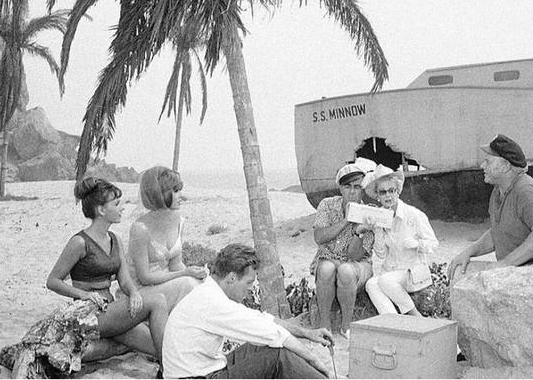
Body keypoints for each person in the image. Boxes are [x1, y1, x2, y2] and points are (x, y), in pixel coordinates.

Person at [0, 178, 169, 377]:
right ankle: (168, 372)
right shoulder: (80, 242)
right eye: (116, 204)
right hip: (90, 315)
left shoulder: (115, 239)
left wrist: (134, 294)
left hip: (111, 312)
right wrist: (83, 295)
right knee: (158, 301)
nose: (122, 208)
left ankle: (166, 365)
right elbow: (53, 280)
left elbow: (124, 280)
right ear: (101, 210)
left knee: (158, 346)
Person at [162, 243, 334, 379]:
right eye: (249, 282)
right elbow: (273, 334)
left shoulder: (210, 291)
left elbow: (261, 319)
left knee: (259, 346)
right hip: (196, 377)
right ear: (231, 278)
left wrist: (306, 333)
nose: (251, 289)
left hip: (203, 369)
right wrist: (314, 359)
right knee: (277, 357)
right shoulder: (213, 303)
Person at [447, 134, 533, 283]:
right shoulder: (499, 190)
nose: (482, 166)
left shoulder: (526, 190)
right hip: (524, 267)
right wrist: (469, 252)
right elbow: (499, 232)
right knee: (461, 271)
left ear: (506, 166)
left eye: (488, 162)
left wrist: (504, 265)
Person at [360, 165, 438, 316]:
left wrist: (417, 244)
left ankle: (414, 316)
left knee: (384, 281)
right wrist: (377, 230)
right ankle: (393, 321)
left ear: (398, 192)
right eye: (383, 192)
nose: (388, 196)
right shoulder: (381, 216)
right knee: (371, 284)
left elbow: (433, 244)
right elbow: (381, 254)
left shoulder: (414, 215)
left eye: (391, 191)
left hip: (412, 272)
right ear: (378, 196)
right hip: (391, 273)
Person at [128, 166, 206, 312]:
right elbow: (144, 277)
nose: (181, 196)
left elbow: (176, 265)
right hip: (144, 292)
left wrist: (194, 272)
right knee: (189, 284)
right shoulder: (140, 229)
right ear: (160, 194)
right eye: (175, 191)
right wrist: (185, 274)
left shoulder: (179, 221)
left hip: (169, 284)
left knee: (204, 285)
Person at [311, 162, 374, 338]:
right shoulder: (327, 205)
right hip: (328, 258)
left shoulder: (369, 213)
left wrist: (359, 232)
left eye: (357, 187)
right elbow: (320, 237)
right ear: (340, 187)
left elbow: (355, 255)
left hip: (358, 264)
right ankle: (325, 325)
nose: (352, 192)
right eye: (347, 186)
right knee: (326, 268)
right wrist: (347, 220)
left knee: (345, 270)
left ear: (363, 189)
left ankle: (346, 325)